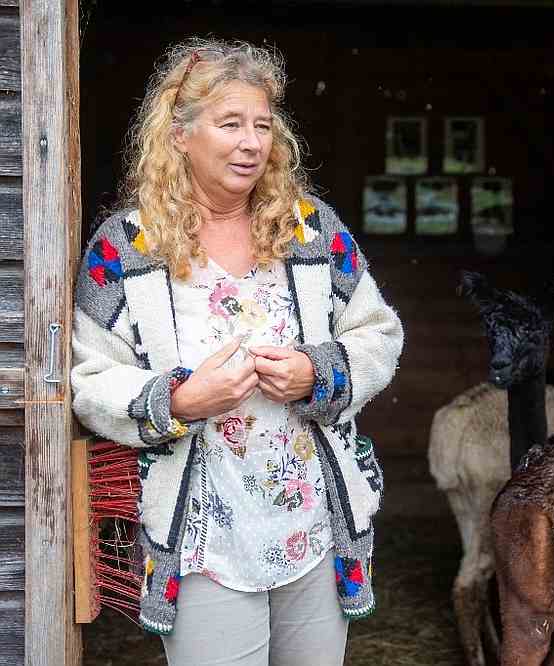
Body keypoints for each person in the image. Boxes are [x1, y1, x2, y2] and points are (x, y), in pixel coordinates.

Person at [71, 37, 403, 665]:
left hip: (312, 523)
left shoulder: (310, 228)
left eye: (262, 125)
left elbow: (379, 333)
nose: (252, 142)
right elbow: (89, 377)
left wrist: (318, 371)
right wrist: (175, 400)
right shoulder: (126, 249)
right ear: (179, 135)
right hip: (201, 537)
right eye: (230, 124)